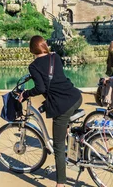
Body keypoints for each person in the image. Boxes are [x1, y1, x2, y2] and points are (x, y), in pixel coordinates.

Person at [19, 35, 82, 187]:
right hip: (75, 96)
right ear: (44, 45)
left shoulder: (34, 66)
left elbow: (41, 88)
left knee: (58, 146)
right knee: (65, 128)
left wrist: (25, 94)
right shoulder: (56, 57)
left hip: (62, 105)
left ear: (32, 49)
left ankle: (60, 183)